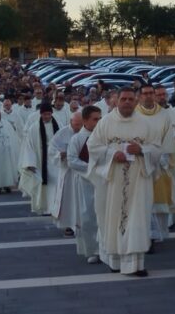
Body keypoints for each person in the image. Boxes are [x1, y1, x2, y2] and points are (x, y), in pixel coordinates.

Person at [85, 87, 161, 276]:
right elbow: (92, 146)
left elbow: (158, 149)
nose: (127, 102)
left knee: (137, 220)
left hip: (138, 181)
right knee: (113, 219)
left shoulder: (146, 124)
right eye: (123, 99)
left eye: (130, 99)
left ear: (136, 101)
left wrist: (142, 149)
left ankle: (137, 265)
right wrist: (112, 154)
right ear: (116, 101)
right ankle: (115, 262)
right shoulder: (105, 123)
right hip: (113, 182)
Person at [137, 82, 175, 244]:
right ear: (139, 96)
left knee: (157, 201)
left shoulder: (164, 115)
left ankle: (156, 233)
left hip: (160, 165)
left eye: (150, 93)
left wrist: (164, 157)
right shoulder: (134, 115)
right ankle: (145, 236)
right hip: (140, 164)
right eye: (145, 93)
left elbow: (168, 138)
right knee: (143, 202)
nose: (148, 96)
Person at [68, 105, 102, 264]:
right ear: (86, 120)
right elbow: (72, 161)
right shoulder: (76, 139)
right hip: (85, 183)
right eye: (95, 119)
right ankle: (92, 250)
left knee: (104, 215)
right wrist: (91, 168)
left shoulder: (104, 137)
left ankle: (106, 248)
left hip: (103, 181)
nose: (99, 122)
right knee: (88, 216)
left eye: (100, 118)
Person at [19, 103, 61, 214]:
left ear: (52, 113)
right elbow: (29, 146)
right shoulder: (34, 128)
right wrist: (30, 163)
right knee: (44, 186)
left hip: (56, 161)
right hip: (41, 160)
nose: (47, 116)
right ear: (40, 114)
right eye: (44, 114)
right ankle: (45, 207)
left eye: (49, 114)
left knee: (56, 184)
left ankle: (55, 208)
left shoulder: (59, 125)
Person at [50, 111, 83, 236]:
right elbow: (52, 150)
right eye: (76, 125)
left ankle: (82, 224)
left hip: (83, 171)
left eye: (81, 124)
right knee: (69, 199)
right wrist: (60, 155)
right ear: (71, 122)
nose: (79, 128)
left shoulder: (86, 132)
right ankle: (69, 224)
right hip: (68, 172)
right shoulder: (62, 134)